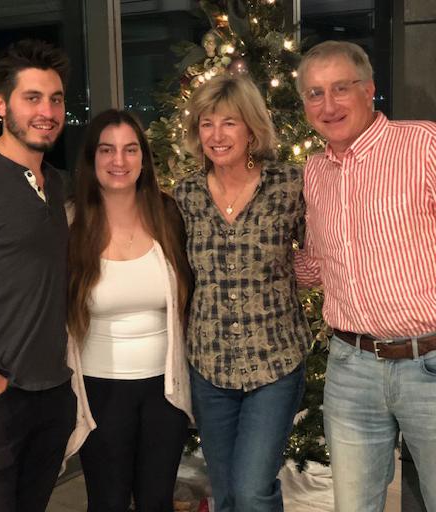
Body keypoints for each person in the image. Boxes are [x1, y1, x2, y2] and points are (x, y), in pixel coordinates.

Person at [294, 40, 436, 512]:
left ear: (369, 89)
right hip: (351, 368)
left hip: (429, 363)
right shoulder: (314, 172)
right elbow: (316, 267)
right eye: (314, 93)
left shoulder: (424, 145)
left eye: (341, 88)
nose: (328, 105)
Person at [174, 74, 312, 512]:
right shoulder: (186, 196)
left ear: (251, 128)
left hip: (274, 362)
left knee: (253, 489)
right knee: (226, 490)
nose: (216, 135)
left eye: (229, 123)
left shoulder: (290, 185)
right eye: (206, 123)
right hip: (209, 365)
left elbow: (324, 251)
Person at [0, 39, 77, 512]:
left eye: (56, 98)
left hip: (51, 395)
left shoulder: (58, 183)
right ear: (1, 104)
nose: (46, 111)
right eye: (33, 98)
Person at [67, 109, 193, 512]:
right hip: (99, 390)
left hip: (165, 390)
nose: (119, 161)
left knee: (157, 501)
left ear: (143, 159)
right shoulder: (70, 223)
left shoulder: (169, 215)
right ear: (92, 158)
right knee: (108, 501)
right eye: (107, 150)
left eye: (129, 149)